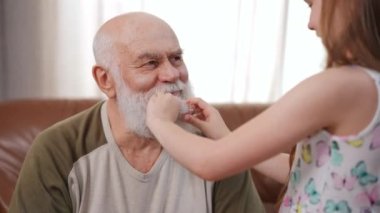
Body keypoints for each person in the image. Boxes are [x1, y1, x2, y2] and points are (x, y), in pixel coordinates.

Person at [8, 12, 265, 213]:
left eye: (176, 59)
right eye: (150, 63)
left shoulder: (218, 148)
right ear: (106, 80)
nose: (172, 74)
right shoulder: (57, 149)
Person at [146, 0, 380, 212]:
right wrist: (224, 135)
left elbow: (209, 163)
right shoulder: (370, 85)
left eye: (312, 5)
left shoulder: (341, 85)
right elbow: (304, 173)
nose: (311, 23)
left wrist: (160, 121)